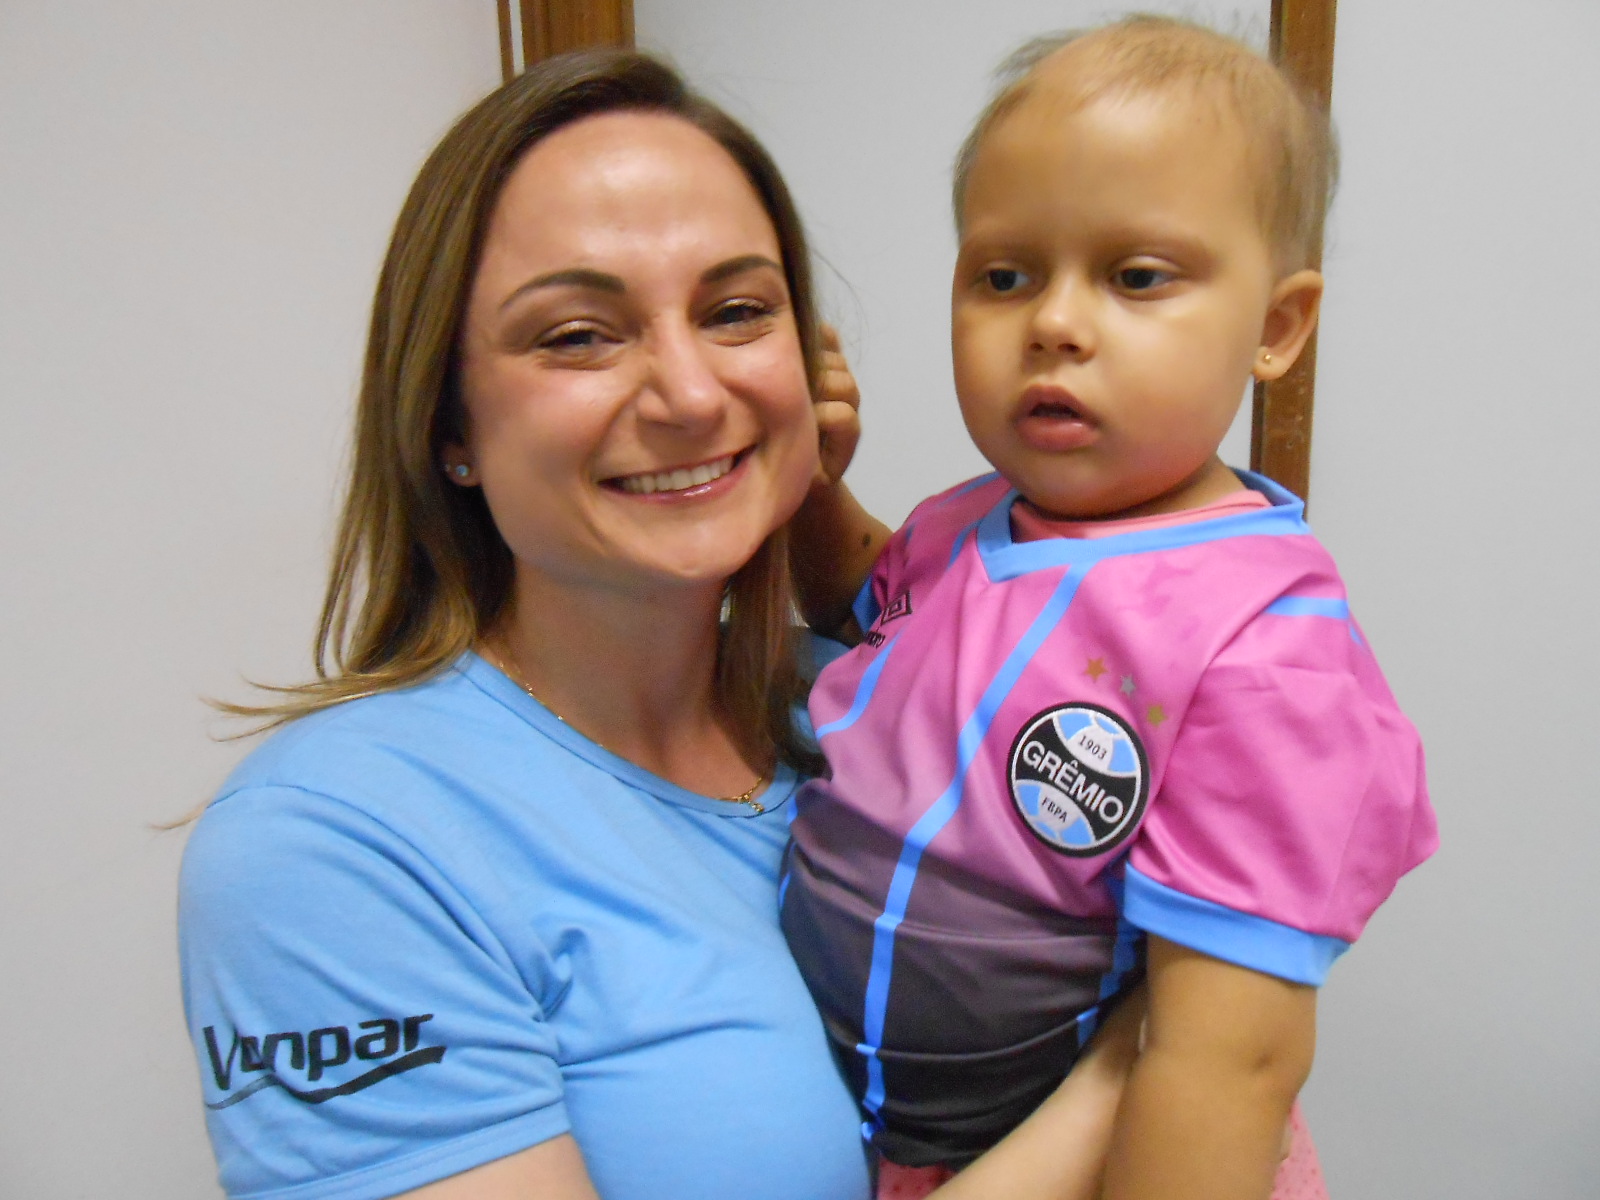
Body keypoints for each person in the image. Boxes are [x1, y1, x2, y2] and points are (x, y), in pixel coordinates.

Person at [178, 50, 1145, 1200]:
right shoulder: (333, 849)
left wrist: (811, 499)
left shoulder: (882, 707)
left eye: (737, 313)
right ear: (448, 424)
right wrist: (1139, 1059)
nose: (689, 395)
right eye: (578, 335)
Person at [781, 16, 1439, 1200]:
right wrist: (809, 489)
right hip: (884, 1148)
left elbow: (1221, 1061)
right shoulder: (963, 520)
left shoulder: (1264, 644)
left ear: (1276, 327)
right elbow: (862, 608)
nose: (1054, 322)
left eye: (1136, 277)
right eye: (1003, 275)